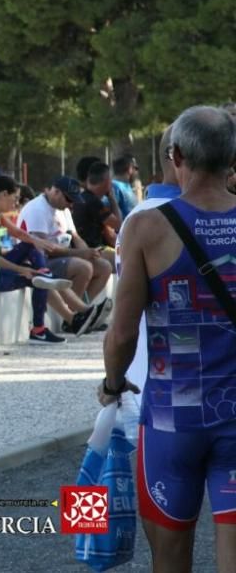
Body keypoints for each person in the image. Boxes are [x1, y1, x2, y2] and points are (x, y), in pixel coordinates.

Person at [100, 105, 236, 572]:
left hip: (171, 420)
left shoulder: (146, 226)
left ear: (174, 154)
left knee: (170, 554)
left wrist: (112, 382)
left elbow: (121, 333)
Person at [114, 124, 180, 395]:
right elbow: (124, 327)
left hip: (152, 382)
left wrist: (113, 380)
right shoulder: (157, 219)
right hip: (164, 385)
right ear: (178, 157)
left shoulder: (141, 217)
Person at [0, 175, 73, 344]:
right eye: (14, 198)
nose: (16, 203)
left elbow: (19, 234)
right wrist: (22, 270)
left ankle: (44, 275)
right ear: (3, 194)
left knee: (31, 245)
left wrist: (37, 241)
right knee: (34, 279)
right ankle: (38, 329)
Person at [17, 176, 113, 335]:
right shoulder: (37, 209)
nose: (71, 204)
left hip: (59, 257)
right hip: (38, 260)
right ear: (55, 192)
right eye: (69, 199)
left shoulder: (64, 210)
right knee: (83, 267)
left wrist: (90, 253)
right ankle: (76, 317)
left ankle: (82, 317)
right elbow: (43, 248)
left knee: (104, 266)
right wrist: (80, 254)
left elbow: (75, 237)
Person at [71, 162, 122, 254]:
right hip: (93, 249)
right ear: (107, 181)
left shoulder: (83, 197)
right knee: (124, 257)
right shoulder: (93, 202)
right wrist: (112, 198)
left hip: (83, 248)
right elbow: (117, 224)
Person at [111, 154, 140, 218]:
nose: (137, 172)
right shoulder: (114, 187)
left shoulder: (123, 187)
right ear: (130, 168)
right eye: (136, 168)